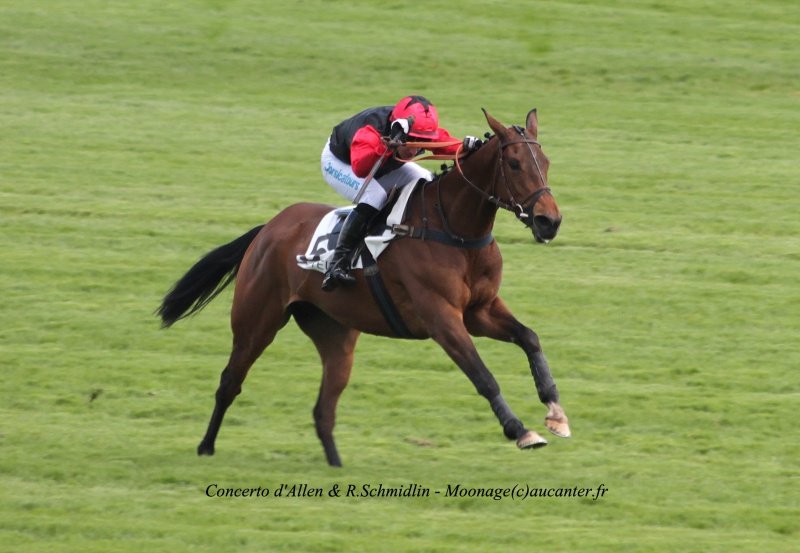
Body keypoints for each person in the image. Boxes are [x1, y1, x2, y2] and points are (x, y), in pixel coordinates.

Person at [320, 95, 479, 291]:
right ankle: (337, 262)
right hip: (342, 163)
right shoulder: (371, 129)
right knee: (375, 196)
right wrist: (388, 144)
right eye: (410, 140)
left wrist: (467, 147)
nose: (413, 149)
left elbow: (444, 144)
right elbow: (361, 168)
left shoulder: (418, 129)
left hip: (385, 163)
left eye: (420, 141)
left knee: (426, 181)